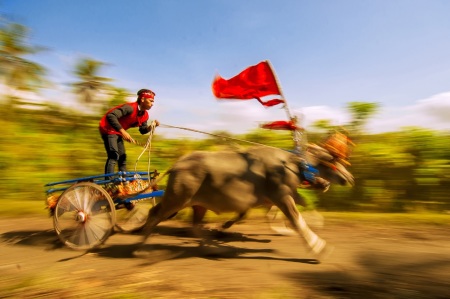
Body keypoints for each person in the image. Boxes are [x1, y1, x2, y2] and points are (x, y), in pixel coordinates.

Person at [99, 88, 159, 178]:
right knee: (114, 155)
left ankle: (124, 180)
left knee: (122, 157)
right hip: (108, 128)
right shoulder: (130, 108)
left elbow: (142, 130)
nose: (152, 104)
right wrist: (123, 131)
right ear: (142, 99)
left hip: (117, 132)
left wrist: (152, 126)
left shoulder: (145, 115)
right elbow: (111, 116)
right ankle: (109, 182)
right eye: (151, 101)